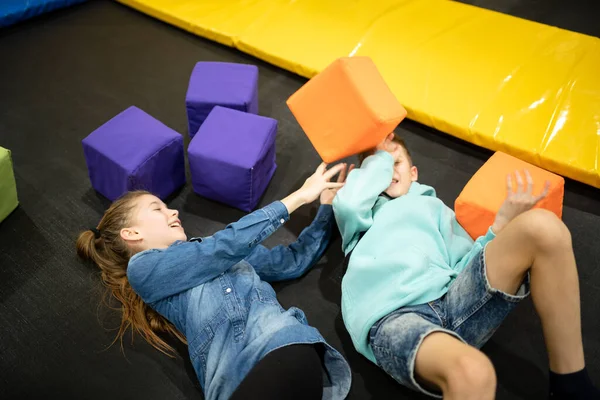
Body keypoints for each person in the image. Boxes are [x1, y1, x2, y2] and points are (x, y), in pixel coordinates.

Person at [332, 133, 600, 400]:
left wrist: (500, 226)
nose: (388, 172)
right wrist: (379, 156)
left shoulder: (436, 209)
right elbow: (349, 202)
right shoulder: (362, 217)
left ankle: (571, 385)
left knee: (543, 227)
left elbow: (464, 265)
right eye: (379, 165)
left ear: (414, 173)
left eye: (396, 163)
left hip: (455, 302)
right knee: (474, 372)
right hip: (395, 315)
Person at [76, 162, 352, 400]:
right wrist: (300, 196)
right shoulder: (143, 270)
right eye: (157, 209)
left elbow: (292, 262)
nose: (173, 213)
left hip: (283, 345)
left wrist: (325, 206)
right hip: (232, 384)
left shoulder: (225, 251)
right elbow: (224, 246)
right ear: (132, 233)